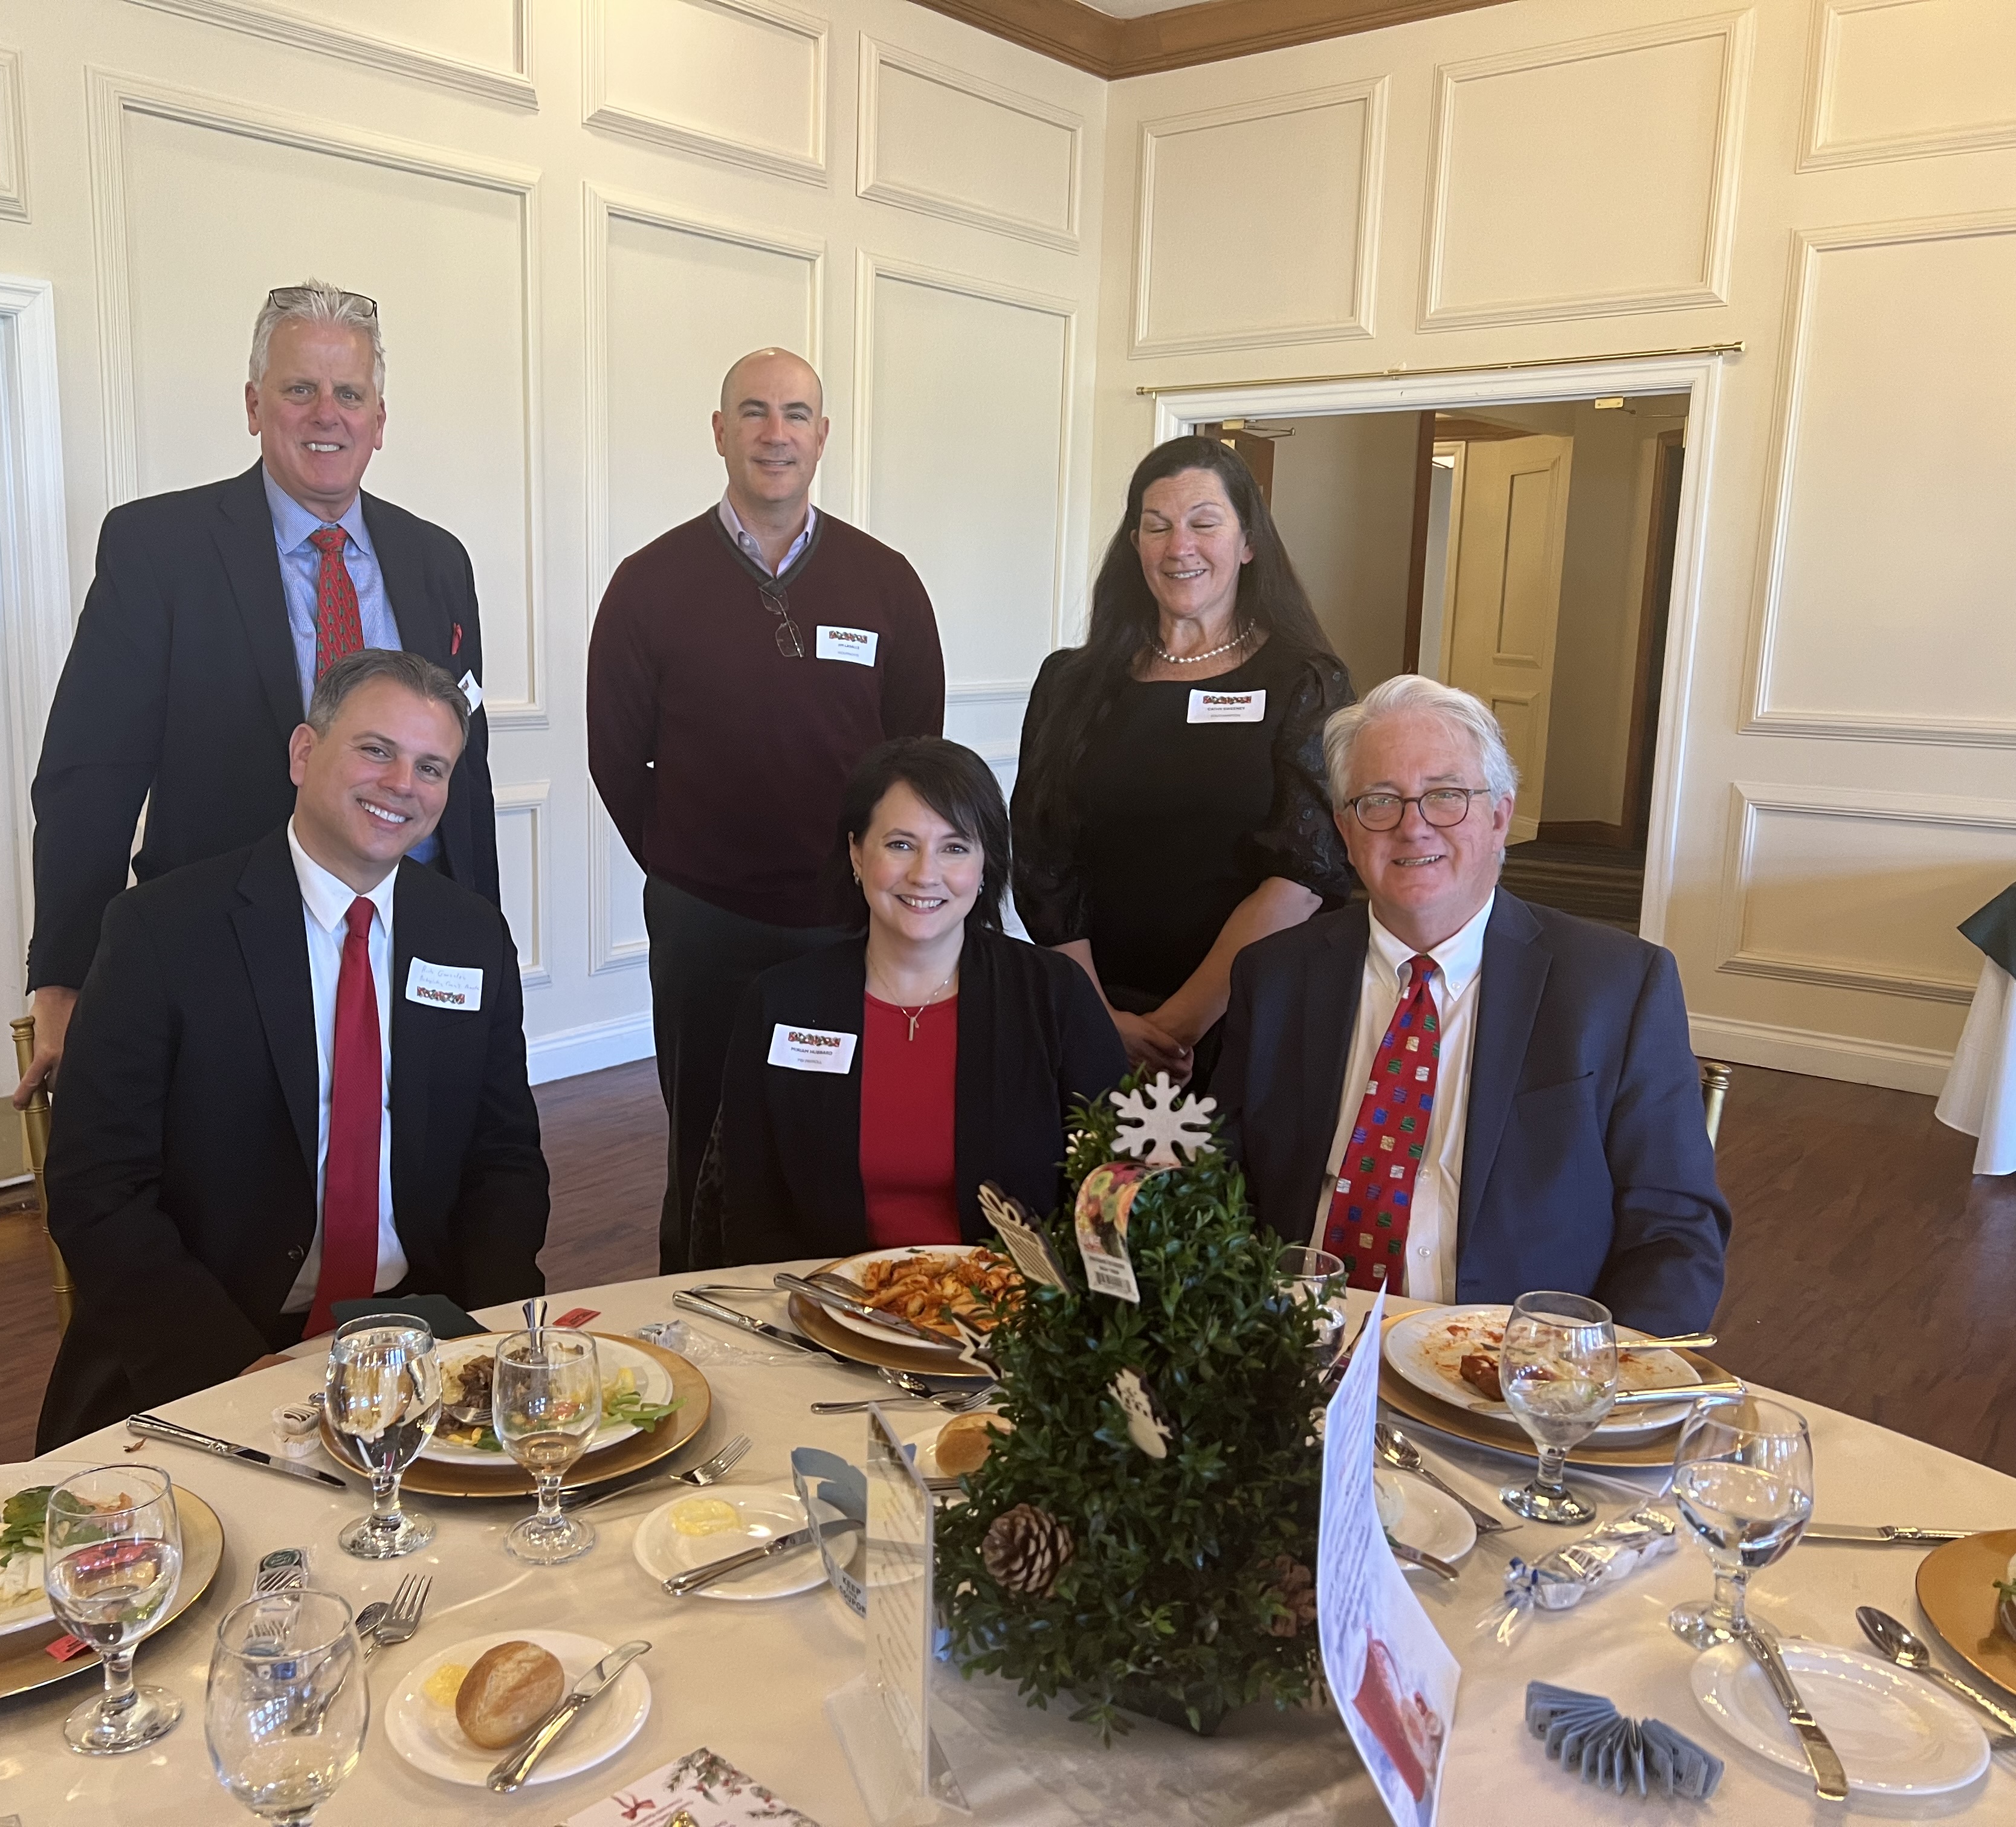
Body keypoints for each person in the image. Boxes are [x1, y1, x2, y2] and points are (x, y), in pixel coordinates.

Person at [35, 650, 546, 1449]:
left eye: (431, 767)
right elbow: (95, 1189)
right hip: (216, 1337)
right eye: (375, 750)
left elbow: (505, 1156)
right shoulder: (163, 932)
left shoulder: (469, 935)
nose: (401, 784)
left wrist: (487, 1343)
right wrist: (234, 1367)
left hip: (419, 1334)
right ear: (304, 753)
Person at [18, 279, 500, 1104]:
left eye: (349, 393)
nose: (327, 414)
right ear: (254, 405)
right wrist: (64, 978)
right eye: (299, 389)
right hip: (223, 944)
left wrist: (485, 944)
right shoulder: (157, 549)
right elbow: (90, 774)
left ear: (379, 421)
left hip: (405, 929)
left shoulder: (437, 561)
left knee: (407, 1162)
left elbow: (466, 773)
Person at [1207, 673, 1728, 1336]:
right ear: (1345, 830)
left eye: (1446, 797)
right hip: (1299, 1345)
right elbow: (1219, 1183)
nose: (1413, 827)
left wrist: (1591, 1379)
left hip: (1513, 1365)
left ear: (1500, 817)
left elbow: (1676, 1233)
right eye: (1379, 802)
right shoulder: (1274, 976)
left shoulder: (1617, 986)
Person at [587, 347, 945, 1274]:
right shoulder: (649, 582)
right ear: (719, 431)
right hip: (708, 924)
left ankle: (834, 1302)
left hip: (846, 921)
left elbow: (916, 753)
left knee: (832, 1128)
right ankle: (688, 1302)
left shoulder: (886, 581)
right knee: (702, 1133)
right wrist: (685, 863)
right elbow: (616, 759)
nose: (774, 433)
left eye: (795, 414)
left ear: (822, 436)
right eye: (753, 412)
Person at [693, 739, 1124, 1268]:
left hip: (1014, 1322)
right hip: (827, 1316)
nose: (925, 874)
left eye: (955, 847)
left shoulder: (1055, 996)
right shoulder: (783, 1002)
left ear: (986, 862)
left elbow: (1112, 1183)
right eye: (900, 844)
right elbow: (746, 1204)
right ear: (856, 853)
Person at [1012, 435, 1354, 1088]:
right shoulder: (1069, 683)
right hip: (1095, 1011)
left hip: (1245, 1016)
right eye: (1157, 526)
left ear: (1248, 542)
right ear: (1135, 543)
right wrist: (1100, 1018)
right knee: (1088, 1189)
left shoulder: (1304, 682)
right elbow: (1043, 860)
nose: (1180, 548)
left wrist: (1177, 1027)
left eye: (1204, 523)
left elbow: (1305, 873)